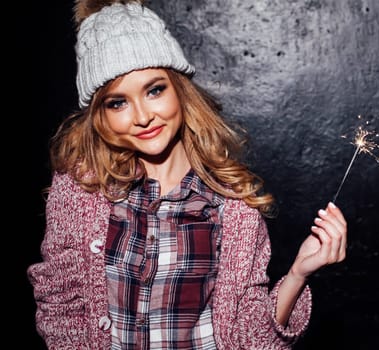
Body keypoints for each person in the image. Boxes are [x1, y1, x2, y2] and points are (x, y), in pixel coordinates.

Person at [27, 0, 348, 349]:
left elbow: (248, 339)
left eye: (154, 90)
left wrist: (299, 272)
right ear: (99, 115)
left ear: (179, 90)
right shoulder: (80, 189)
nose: (142, 116)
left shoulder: (234, 206)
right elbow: (60, 305)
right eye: (117, 102)